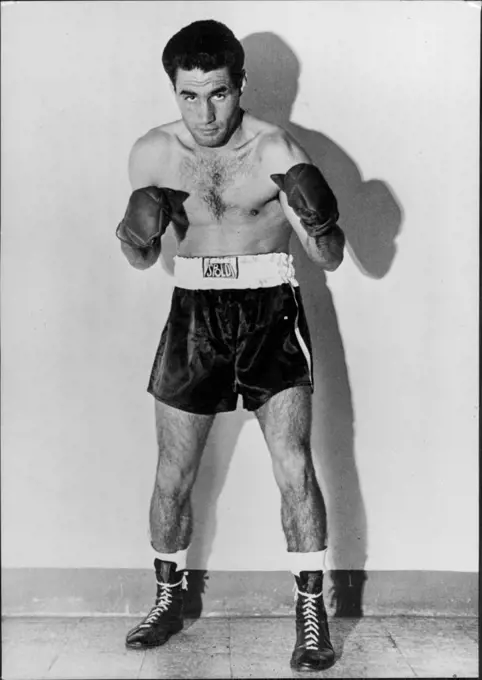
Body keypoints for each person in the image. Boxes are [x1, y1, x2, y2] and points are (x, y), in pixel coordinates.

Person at [116, 19, 345, 672]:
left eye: (217, 93)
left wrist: (323, 220)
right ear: (174, 90)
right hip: (192, 314)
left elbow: (328, 258)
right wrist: (134, 239)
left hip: (270, 313)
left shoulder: (277, 149)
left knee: (294, 465)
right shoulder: (152, 152)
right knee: (171, 472)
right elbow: (143, 260)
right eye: (189, 96)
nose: (204, 112)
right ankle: (167, 599)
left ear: (240, 85)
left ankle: (311, 614)